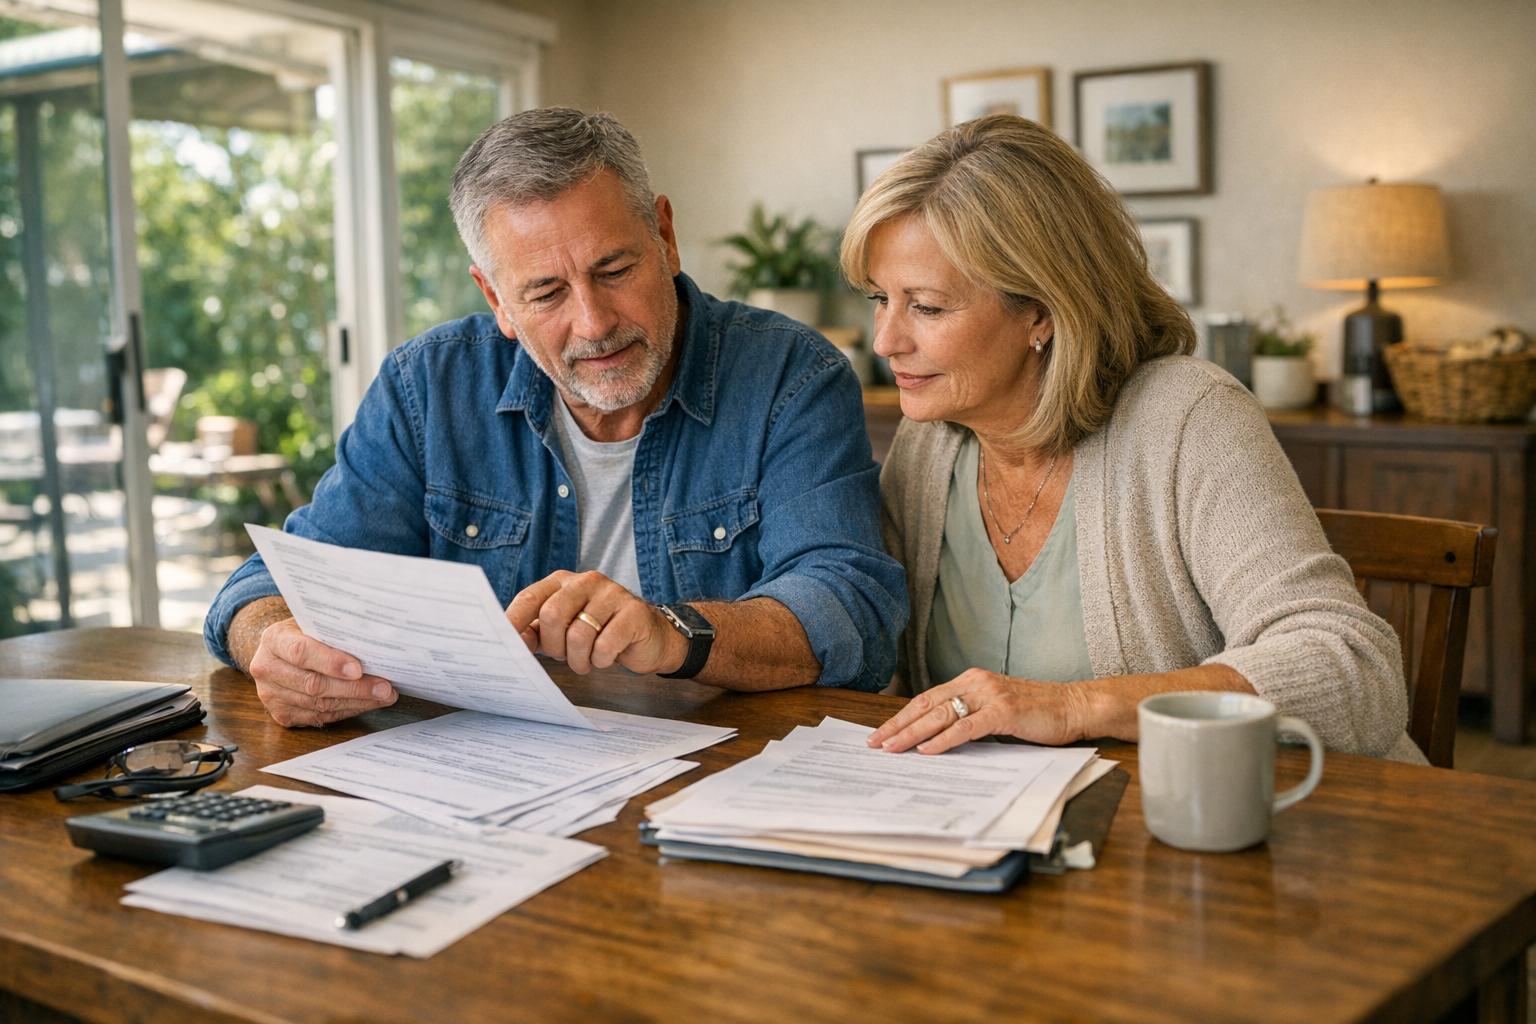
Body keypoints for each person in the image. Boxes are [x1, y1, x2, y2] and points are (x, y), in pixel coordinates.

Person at [204, 107, 907, 728]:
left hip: (718, 785)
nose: (593, 323)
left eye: (614, 270)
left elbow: (850, 608)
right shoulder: (427, 388)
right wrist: (277, 644)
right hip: (479, 785)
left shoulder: (792, 375)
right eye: (545, 293)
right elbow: (269, 586)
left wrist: (673, 633)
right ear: (496, 300)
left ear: (664, 234)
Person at [851, 114, 1423, 764]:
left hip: (1251, 822)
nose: (885, 341)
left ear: (1040, 309)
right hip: (1023, 838)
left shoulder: (1188, 419)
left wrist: (1072, 707)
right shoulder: (929, 448)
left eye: (925, 306)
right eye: (878, 299)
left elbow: (1353, 668)